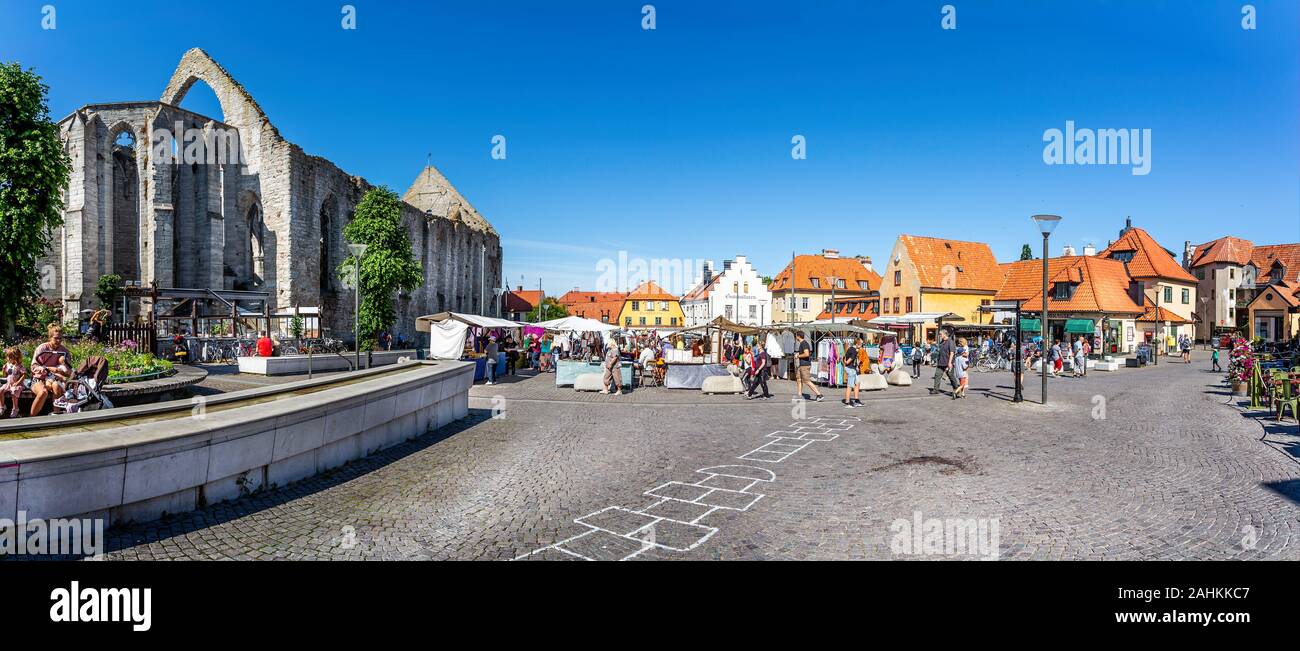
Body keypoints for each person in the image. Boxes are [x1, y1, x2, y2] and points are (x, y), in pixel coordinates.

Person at [29, 324, 70, 416]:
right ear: (50, 337)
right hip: (39, 378)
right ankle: (31, 417)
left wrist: (62, 370)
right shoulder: (42, 348)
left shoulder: (64, 351)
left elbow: (68, 371)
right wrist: (47, 369)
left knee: (57, 386)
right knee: (43, 392)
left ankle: (56, 413)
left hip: (54, 379)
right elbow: (33, 366)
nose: (58, 340)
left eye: (60, 338)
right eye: (56, 338)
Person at [793, 332, 824, 401]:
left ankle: (819, 394)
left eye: (796, 336)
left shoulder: (804, 343)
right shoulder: (802, 343)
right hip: (801, 365)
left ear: (798, 336)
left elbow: (807, 354)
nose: (795, 338)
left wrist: (798, 355)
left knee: (806, 381)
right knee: (799, 379)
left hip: (805, 365)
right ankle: (799, 395)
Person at [3, 347, 27, 418]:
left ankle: (15, 408)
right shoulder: (8, 365)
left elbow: (24, 375)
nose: (8, 359)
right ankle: (2, 406)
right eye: (8, 357)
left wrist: (18, 383)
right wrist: (4, 370)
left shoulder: (19, 366)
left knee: (14, 391)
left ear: (16, 357)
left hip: (17, 384)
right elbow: (6, 375)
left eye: (10, 357)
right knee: (0, 390)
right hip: (9, 384)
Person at [931, 329, 957, 396]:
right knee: (937, 375)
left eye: (940, 334)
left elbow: (952, 353)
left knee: (951, 376)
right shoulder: (942, 342)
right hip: (941, 362)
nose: (940, 336)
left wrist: (950, 363)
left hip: (948, 362)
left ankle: (957, 389)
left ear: (945, 334)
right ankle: (936, 389)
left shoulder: (950, 342)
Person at [842, 337, 862, 408]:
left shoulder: (850, 349)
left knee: (857, 383)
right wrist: (846, 362)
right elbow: (848, 361)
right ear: (857, 343)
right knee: (850, 385)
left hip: (852, 369)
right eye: (861, 344)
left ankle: (856, 400)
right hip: (851, 369)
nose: (861, 345)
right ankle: (847, 402)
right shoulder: (854, 351)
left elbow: (845, 357)